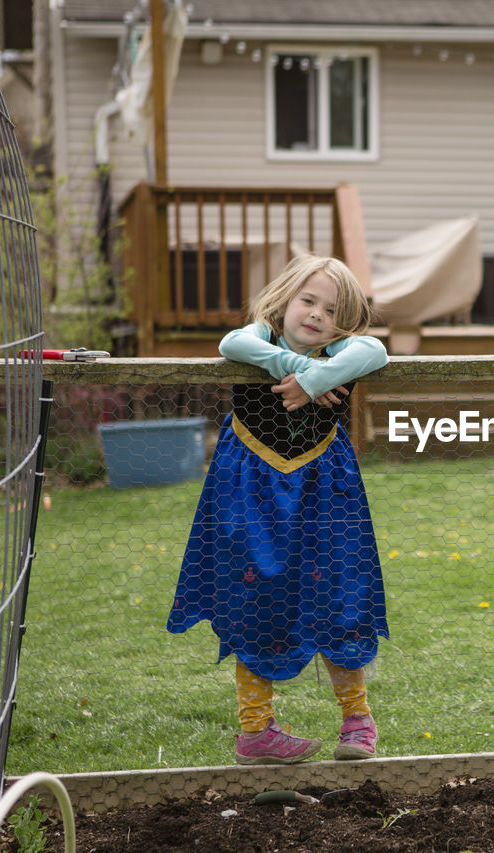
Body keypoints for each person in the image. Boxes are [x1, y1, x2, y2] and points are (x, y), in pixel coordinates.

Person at [168, 254, 390, 764]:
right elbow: (231, 344)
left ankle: (357, 721)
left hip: (324, 490)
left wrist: (317, 378)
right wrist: (296, 366)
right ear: (285, 300)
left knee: (340, 595)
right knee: (255, 597)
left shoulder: (346, 353)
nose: (315, 315)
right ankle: (255, 731)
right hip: (249, 488)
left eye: (331, 310)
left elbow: (375, 348)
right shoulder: (259, 340)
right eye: (307, 301)